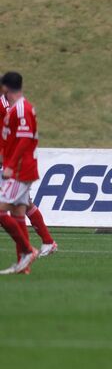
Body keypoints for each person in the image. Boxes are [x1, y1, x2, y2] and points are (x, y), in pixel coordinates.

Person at [0, 75, 56, 260]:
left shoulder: (9, 105)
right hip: (10, 160)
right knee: (21, 207)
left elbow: (18, 135)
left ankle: (30, 249)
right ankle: (40, 246)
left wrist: (8, 161)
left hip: (12, 163)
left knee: (15, 207)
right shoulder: (9, 104)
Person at [0, 72, 41, 274]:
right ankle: (23, 266)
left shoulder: (22, 108)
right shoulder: (17, 108)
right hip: (18, 167)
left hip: (19, 170)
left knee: (1, 210)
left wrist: (10, 165)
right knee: (17, 214)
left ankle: (27, 250)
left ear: (5, 87)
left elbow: (24, 140)